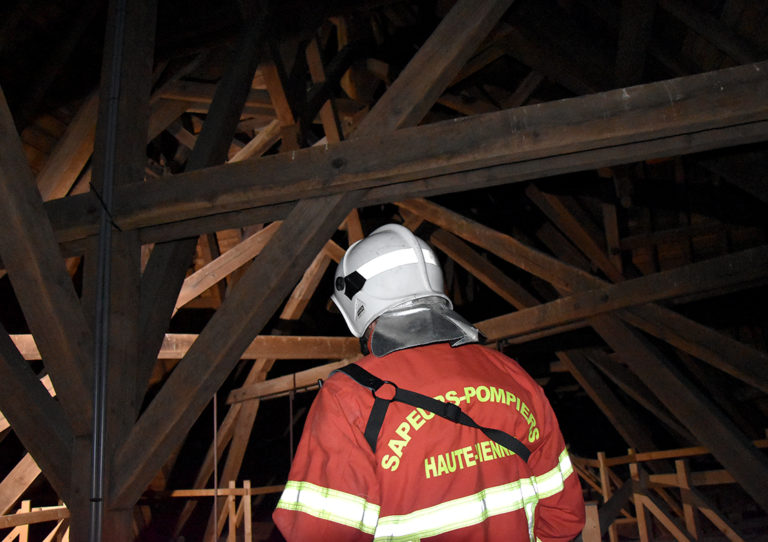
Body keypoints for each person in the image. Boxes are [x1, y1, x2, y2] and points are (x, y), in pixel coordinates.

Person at [273, 223, 585, 541]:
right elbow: (565, 519)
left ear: (356, 306)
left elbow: (321, 533)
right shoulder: (512, 375)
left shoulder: (350, 398)